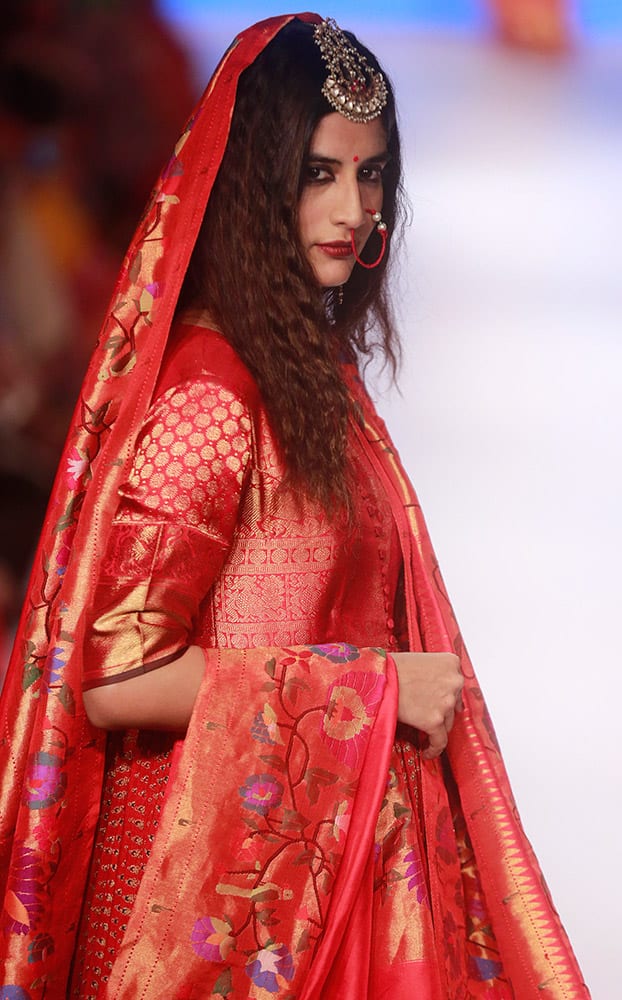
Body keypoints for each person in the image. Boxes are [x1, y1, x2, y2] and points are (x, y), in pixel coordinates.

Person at [0, 13, 589, 999]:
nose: (352, 207)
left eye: (368, 175)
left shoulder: (306, 378)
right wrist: (371, 688)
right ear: (250, 179)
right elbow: (118, 676)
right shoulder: (209, 401)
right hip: (195, 921)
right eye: (318, 173)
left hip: (305, 890)